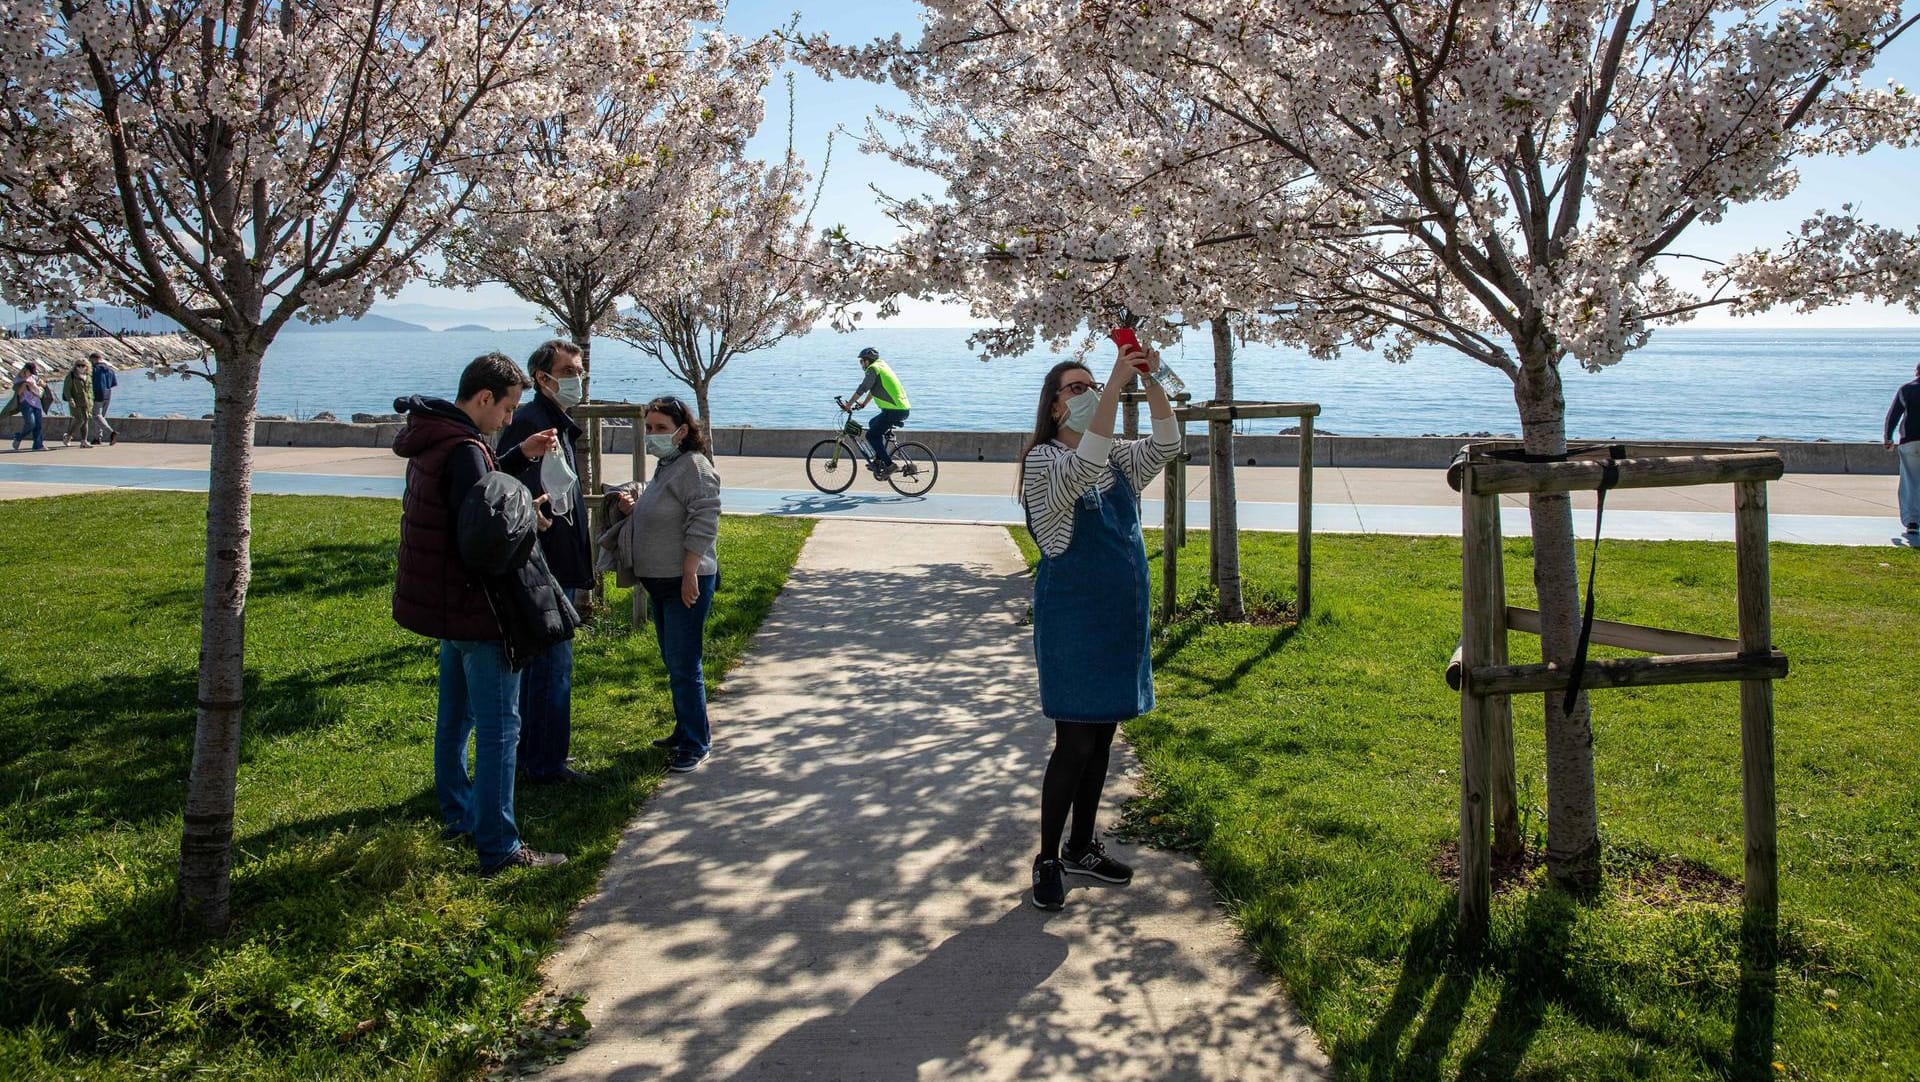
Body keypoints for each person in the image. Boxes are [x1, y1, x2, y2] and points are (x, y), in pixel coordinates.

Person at [392, 351, 571, 876]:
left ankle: (458, 813)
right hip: (480, 610)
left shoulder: (437, 437)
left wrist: (515, 456)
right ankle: (498, 846)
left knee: (454, 720)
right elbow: (486, 532)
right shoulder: (466, 448)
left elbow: (470, 494)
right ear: (485, 398)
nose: (510, 419)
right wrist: (528, 520)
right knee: (498, 729)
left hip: (448, 606)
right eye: (508, 409)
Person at [1018, 342, 1182, 911]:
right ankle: (1047, 858)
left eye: (1093, 386)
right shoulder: (1045, 463)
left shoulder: (1118, 461)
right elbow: (1082, 465)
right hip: (1074, 623)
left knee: (1104, 739)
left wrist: (1150, 377)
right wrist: (1113, 380)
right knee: (1074, 742)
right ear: (1056, 407)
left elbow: (1168, 442)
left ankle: (1082, 845)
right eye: (1077, 388)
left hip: (1120, 619)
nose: (1088, 394)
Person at [598, 396, 722, 774]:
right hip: (661, 584)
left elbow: (704, 520)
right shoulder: (667, 466)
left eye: (660, 429)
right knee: (673, 660)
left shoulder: (694, 468)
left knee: (685, 664)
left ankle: (696, 742)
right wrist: (632, 507)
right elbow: (666, 510)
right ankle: (684, 728)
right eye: (648, 428)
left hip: (685, 583)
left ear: (682, 431)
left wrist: (689, 572)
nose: (652, 435)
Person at [499, 340, 593, 786]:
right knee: (552, 669)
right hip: (545, 569)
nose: (578, 379)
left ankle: (531, 757)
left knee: (543, 670)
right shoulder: (536, 425)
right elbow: (512, 488)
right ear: (543, 378)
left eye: (580, 371)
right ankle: (546, 764)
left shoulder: (555, 424)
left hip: (557, 564)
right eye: (569, 371)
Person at [845, 346, 910, 477]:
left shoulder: (873, 369)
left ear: (867, 361)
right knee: (872, 423)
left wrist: (849, 404)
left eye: (861, 361)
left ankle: (889, 465)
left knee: (871, 436)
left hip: (894, 411)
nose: (861, 364)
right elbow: (873, 389)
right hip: (900, 409)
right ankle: (879, 460)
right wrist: (864, 403)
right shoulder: (882, 365)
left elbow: (863, 387)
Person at [1886, 361, 1920, 537]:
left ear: (1917, 371)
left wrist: (1888, 437)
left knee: (1910, 481)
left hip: (1910, 441)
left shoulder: (1906, 389)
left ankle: (1912, 521)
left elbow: (1893, 415)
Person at [10, 362, 46, 452]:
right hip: (25, 402)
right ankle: (18, 437)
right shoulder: (18, 379)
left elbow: (43, 385)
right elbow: (18, 393)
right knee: (31, 423)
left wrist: (41, 384)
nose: (31, 374)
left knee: (38, 424)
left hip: (36, 402)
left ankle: (38, 445)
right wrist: (25, 384)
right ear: (25, 370)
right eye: (30, 372)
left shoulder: (34, 377)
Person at [61, 356, 95, 447]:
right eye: (78, 365)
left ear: (87, 366)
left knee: (86, 420)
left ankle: (84, 441)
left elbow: (90, 390)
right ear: (75, 366)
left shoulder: (88, 376)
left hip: (87, 402)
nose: (80, 367)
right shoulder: (71, 376)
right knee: (80, 420)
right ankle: (68, 436)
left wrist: (91, 401)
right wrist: (70, 399)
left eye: (83, 365)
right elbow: (66, 389)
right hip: (76, 401)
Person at [89, 351, 118, 446]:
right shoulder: (110, 369)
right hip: (108, 394)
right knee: (101, 417)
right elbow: (113, 383)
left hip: (97, 394)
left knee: (96, 416)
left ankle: (111, 432)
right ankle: (97, 438)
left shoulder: (94, 369)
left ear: (93, 359)